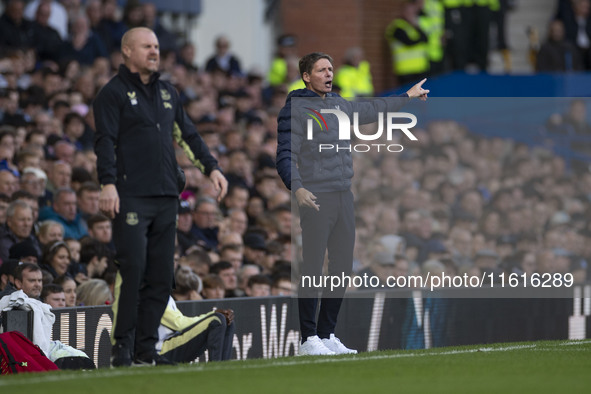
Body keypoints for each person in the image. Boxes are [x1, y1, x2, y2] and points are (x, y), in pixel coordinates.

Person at [275, 52, 428, 356]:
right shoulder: (295, 109)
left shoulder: (338, 104)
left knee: (342, 266)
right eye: (322, 70)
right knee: (313, 265)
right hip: (315, 194)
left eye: (331, 69)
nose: (329, 74)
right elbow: (285, 154)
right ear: (307, 76)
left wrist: (406, 97)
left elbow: (371, 109)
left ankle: (326, 333)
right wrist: (298, 187)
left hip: (344, 193)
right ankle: (308, 339)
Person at [93, 27, 227, 367]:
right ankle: (122, 346)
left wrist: (212, 167)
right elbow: (105, 141)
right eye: (146, 46)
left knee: (160, 276)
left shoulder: (168, 92)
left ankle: (146, 348)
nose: (154, 51)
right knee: (133, 269)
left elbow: (188, 134)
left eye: (156, 46)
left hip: (168, 195)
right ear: (126, 51)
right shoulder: (113, 93)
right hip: (131, 195)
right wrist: (108, 183)